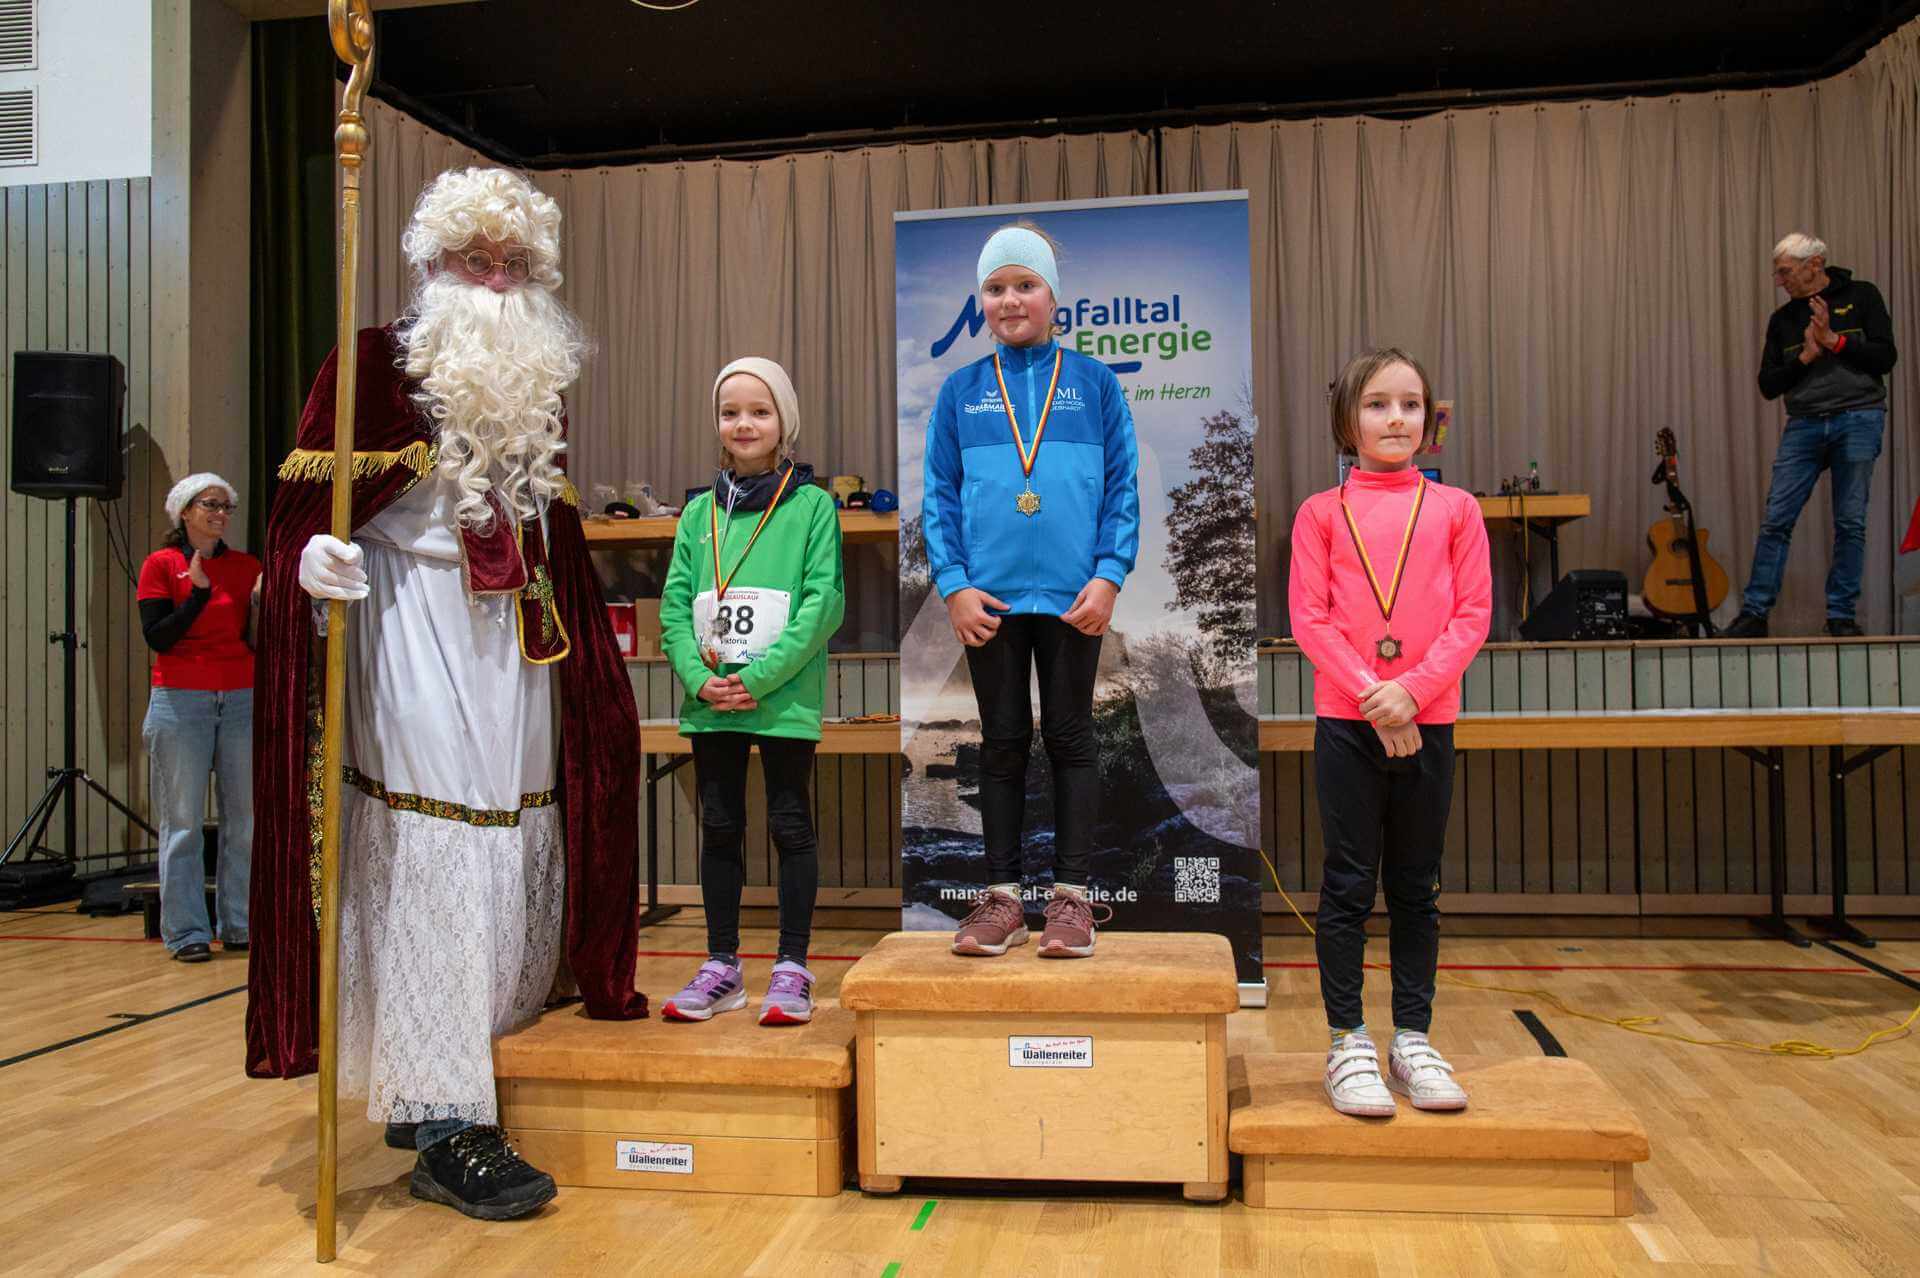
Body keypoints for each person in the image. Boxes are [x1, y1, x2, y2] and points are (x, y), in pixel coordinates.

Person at [246, 167, 646, 1221]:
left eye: (515, 265)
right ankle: (448, 1126)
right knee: (437, 844)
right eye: (476, 261)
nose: (497, 281)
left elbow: (550, 530)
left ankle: (441, 1080)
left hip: (514, 642)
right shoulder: (370, 363)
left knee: (513, 837)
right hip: (407, 623)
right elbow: (296, 516)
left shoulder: (533, 382)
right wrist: (312, 560)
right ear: (432, 266)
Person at [922, 222, 1140, 959]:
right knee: (1004, 740)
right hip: (991, 601)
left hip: (1076, 598)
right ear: (980, 302)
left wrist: (1109, 574)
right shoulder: (960, 392)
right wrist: (954, 585)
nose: (1010, 299)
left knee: (1072, 737)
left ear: (1053, 296)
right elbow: (939, 496)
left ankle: (1071, 899)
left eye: (1025, 284)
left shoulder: (1095, 384)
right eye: (995, 288)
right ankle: (1004, 899)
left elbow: (1122, 487)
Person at [1287, 348, 1491, 1117]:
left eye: (1410, 404)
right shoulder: (1320, 513)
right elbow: (1310, 619)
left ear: (1429, 420)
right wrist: (1379, 698)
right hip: (1350, 719)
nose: (1396, 418)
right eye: (1377, 404)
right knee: (1347, 884)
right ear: (1348, 421)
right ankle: (1347, 1041)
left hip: (1427, 718)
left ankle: (1412, 1038)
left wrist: (1412, 693)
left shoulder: (1457, 510)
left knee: (1415, 887)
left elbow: (1472, 615)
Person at [657, 358, 844, 1026]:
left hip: (781, 698)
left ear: (783, 421)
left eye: (759, 412)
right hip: (711, 701)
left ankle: (792, 966)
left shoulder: (813, 506)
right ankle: (722, 967)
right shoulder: (697, 513)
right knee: (720, 827)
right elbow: (675, 608)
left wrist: (756, 678)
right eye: (730, 412)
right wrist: (699, 678)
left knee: (790, 824)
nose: (743, 424)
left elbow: (823, 605)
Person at [1724, 233, 1899, 638]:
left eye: (1786, 272)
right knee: (1776, 519)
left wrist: (1835, 341)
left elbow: (1885, 357)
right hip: (1804, 423)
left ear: (1815, 264)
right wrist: (1805, 357)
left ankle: (1840, 616)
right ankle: (1754, 614)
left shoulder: (1863, 295)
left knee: (1850, 522)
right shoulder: (1783, 320)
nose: (1779, 280)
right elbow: (1768, 385)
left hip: (1858, 417)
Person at [137, 474, 261, 963]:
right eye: (211, 505)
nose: (220, 514)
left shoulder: (247, 566)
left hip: (241, 697)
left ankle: (239, 923)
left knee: (244, 820)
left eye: (227, 506)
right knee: (183, 821)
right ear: (185, 511)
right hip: (180, 699)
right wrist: (198, 595)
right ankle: (187, 930)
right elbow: (159, 637)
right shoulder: (161, 564)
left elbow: (254, 635)